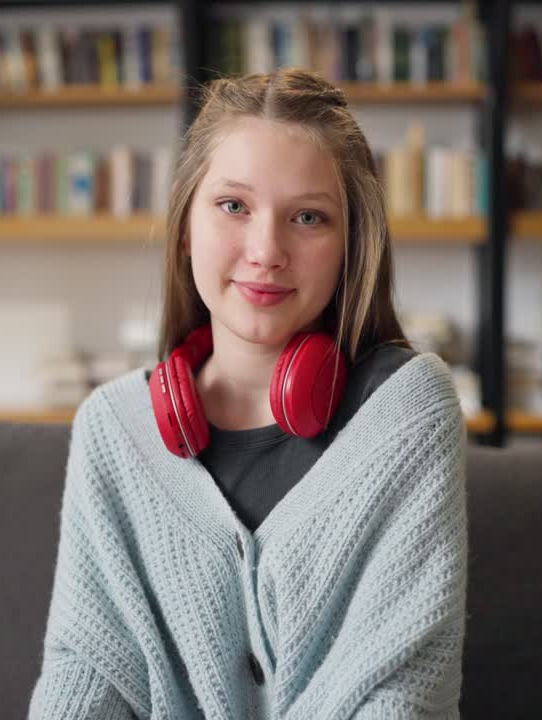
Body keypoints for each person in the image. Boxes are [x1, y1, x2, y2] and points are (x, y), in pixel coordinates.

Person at [29, 68, 468, 719]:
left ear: (351, 245)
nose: (266, 251)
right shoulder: (113, 428)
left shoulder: (407, 414)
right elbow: (87, 669)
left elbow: (404, 693)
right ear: (185, 225)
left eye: (308, 217)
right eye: (234, 206)